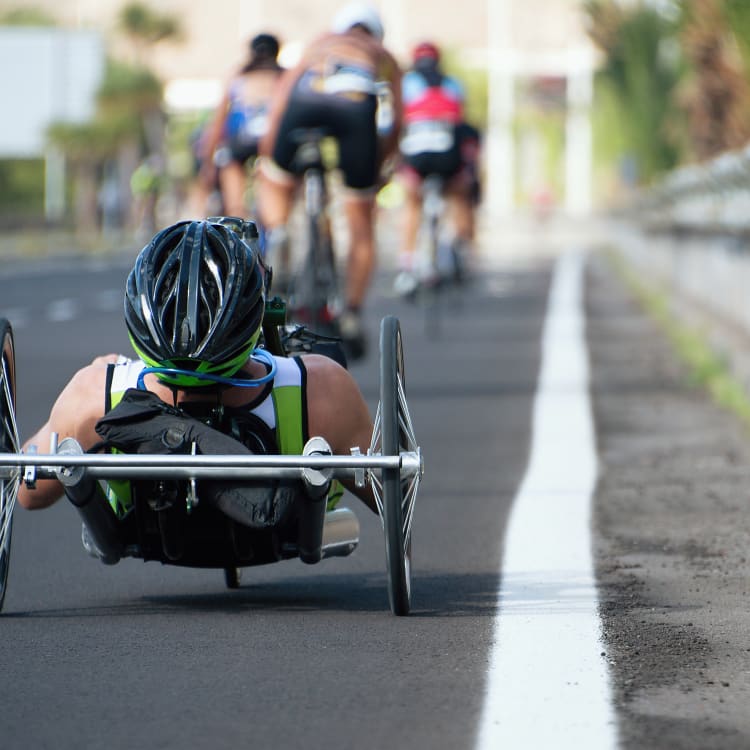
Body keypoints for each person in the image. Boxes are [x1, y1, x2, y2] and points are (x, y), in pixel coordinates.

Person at [17, 219, 375, 519]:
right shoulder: (320, 388)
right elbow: (392, 495)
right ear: (254, 315)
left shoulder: (95, 394)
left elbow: (27, 493)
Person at [257, 2, 403, 359]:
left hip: (304, 103)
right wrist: (378, 168)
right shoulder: (381, 54)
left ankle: (278, 239)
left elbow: (280, 100)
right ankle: (350, 312)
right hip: (355, 109)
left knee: (274, 180)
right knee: (360, 222)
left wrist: (268, 157)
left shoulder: (320, 42)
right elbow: (398, 121)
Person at [394, 41, 481, 293]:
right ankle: (462, 247)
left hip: (415, 157)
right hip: (448, 156)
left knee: (411, 203)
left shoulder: (406, 84)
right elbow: (460, 123)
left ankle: (407, 264)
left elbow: (398, 124)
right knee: (460, 194)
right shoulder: (452, 84)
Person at [199, 33, 285, 219]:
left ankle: (236, 214)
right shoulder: (284, 76)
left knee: (230, 162)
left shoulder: (239, 76)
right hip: (276, 140)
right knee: (276, 180)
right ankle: (277, 224)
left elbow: (218, 121)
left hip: (242, 140)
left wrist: (208, 161)